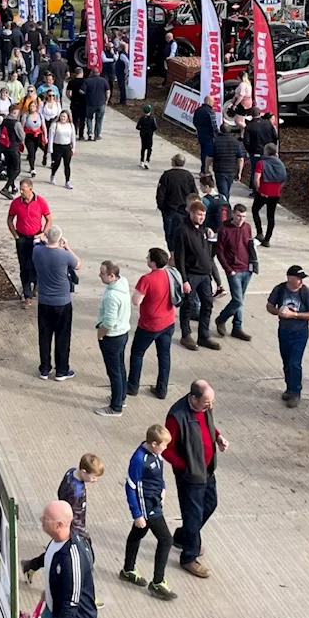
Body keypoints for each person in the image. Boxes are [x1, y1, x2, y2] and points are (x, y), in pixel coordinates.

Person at [162, 381, 226, 579]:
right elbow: (166, 449)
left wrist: (218, 437)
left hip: (206, 469)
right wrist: (186, 466)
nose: (210, 406)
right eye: (207, 403)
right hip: (190, 476)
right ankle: (189, 557)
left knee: (210, 504)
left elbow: (208, 426)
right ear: (193, 398)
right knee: (193, 515)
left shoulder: (204, 407)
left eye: (212, 402)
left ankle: (183, 536)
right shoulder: (176, 417)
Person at [119, 423, 177, 600]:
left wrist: (163, 488)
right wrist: (137, 514)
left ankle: (128, 570)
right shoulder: (138, 459)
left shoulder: (156, 455)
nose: (165, 448)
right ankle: (158, 582)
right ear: (153, 443)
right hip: (148, 508)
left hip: (155, 502)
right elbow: (130, 487)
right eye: (164, 445)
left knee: (136, 535)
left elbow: (158, 476)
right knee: (166, 540)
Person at [128, 248, 180, 400]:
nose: (146, 258)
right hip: (168, 321)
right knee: (164, 355)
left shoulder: (147, 279)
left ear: (153, 262)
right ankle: (162, 389)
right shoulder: (170, 274)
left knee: (137, 353)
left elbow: (136, 301)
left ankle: (132, 385)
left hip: (149, 325)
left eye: (148, 257)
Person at [35, 500, 97, 618]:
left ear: (59, 525)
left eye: (46, 519)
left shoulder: (72, 558)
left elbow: (71, 604)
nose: (41, 519)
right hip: (52, 610)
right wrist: (49, 592)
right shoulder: (55, 541)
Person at [33, 225, 81, 381]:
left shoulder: (38, 252)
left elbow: (35, 242)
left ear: (47, 237)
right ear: (60, 238)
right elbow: (78, 264)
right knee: (63, 336)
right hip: (62, 302)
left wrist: (41, 239)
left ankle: (45, 368)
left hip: (44, 300)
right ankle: (62, 369)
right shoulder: (64, 255)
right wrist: (67, 246)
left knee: (44, 336)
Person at [267, 265, 309, 408]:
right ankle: (289, 388)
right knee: (286, 361)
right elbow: (269, 306)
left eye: (302, 279)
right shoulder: (280, 289)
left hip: (300, 332)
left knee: (295, 363)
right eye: (298, 278)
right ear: (290, 278)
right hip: (284, 331)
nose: (301, 281)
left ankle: (296, 392)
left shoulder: (306, 292)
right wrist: (279, 311)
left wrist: (294, 315)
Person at [172, 198, 218, 352]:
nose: (201, 218)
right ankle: (186, 334)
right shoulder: (183, 230)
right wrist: (184, 280)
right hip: (191, 275)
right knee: (188, 305)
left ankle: (203, 335)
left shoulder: (203, 229)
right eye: (199, 214)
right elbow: (181, 257)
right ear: (191, 213)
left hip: (205, 275)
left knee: (208, 304)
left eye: (203, 215)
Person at [214, 204, 256, 342]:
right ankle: (221, 319)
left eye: (244, 217)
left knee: (240, 300)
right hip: (234, 270)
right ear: (233, 214)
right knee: (237, 300)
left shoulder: (247, 228)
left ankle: (237, 327)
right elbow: (219, 252)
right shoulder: (224, 229)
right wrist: (228, 269)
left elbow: (249, 246)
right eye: (238, 216)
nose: (241, 219)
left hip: (246, 269)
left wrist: (252, 265)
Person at [95, 262, 131, 417]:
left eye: (102, 273)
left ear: (112, 276)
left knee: (114, 372)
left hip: (112, 337)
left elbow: (109, 322)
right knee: (120, 368)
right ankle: (121, 397)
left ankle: (115, 407)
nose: (99, 275)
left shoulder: (111, 296)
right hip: (123, 333)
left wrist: (101, 334)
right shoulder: (122, 283)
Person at [156, 154, 197, 255]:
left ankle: (173, 253)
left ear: (173, 162)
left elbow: (160, 193)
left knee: (170, 233)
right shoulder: (189, 176)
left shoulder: (167, 176)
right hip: (185, 210)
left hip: (170, 210)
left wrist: (161, 207)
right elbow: (194, 193)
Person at [251, 143, 286, 247]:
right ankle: (267, 239)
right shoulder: (280, 164)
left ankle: (259, 232)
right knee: (271, 216)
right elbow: (284, 178)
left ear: (266, 151)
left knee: (255, 210)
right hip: (275, 193)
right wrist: (279, 189)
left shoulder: (261, 163)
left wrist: (258, 189)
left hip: (263, 191)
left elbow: (256, 179)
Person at [210, 124, 243, 201]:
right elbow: (240, 158)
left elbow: (210, 156)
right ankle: (225, 205)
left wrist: (206, 168)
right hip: (231, 170)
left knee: (223, 191)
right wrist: (239, 172)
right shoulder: (236, 141)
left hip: (219, 169)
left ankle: (224, 207)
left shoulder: (216, 141)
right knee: (226, 190)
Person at [49, 110, 76, 188]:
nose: (62, 118)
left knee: (67, 164)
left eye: (64, 116)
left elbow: (73, 137)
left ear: (67, 117)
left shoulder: (71, 125)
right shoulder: (55, 125)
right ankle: (53, 175)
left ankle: (67, 181)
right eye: (61, 116)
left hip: (67, 147)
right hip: (57, 147)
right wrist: (50, 148)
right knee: (56, 163)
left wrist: (73, 148)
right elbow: (51, 137)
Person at [82, 66, 109, 142]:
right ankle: (97, 135)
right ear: (99, 73)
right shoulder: (104, 81)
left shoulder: (87, 81)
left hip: (90, 103)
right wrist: (106, 100)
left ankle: (90, 133)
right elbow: (108, 91)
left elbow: (82, 91)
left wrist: (86, 94)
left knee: (89, 118)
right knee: (99, 120)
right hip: (101, 103)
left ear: (92, 73)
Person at [192, 96, 217, 173]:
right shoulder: (210, 112)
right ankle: (205, 169)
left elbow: (194, 121)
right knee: (209, 153)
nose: (213, 103)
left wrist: (199, 129)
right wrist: (217, 134)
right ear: (208, 102)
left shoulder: (198, 110)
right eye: (213, 102)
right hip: (210, 135)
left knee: (203, 152)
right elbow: (214, 126)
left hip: (201, 134)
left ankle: (203, 168)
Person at [136, 104, 157, 169]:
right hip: (149, 135)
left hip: (143, 134)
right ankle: (147, 161)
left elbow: (137, 127)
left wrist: (142, 129)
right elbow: (155, 127)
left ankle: (141, 160)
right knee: (149, 148)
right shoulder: (152, 119)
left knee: (143, 147)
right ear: (150, 111)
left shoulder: (141, 118)